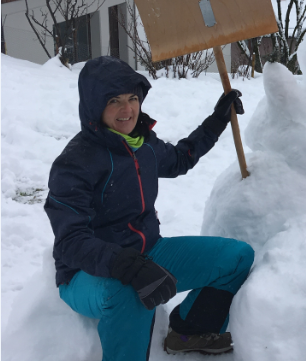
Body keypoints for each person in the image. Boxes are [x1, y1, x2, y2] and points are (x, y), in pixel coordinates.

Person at [44, 56, 254, 361]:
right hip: (86, 274)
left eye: (132, 98)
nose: (127, 109)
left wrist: (217, 120)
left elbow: (181, 158)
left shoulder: (143, 144)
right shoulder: (75, 163)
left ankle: (189, 332)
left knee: (236, 257)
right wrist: (125, 265)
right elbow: (70, 243)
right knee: (129, 292)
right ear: (93, 105)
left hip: (148, 254)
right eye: (114, 100)